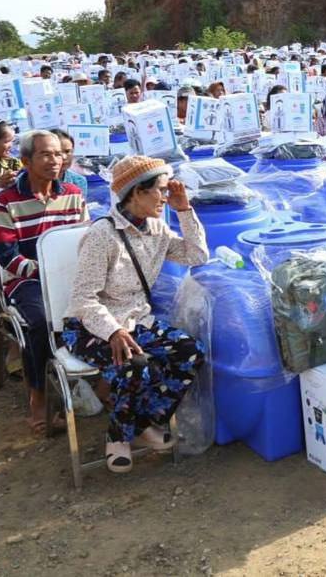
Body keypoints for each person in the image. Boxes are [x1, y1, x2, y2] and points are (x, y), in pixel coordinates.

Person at [64, 155, 208, 473]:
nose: (165, 197)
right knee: (133, 363)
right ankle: (118, 436)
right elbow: (83, 299)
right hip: (91, 326)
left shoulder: (156, 229)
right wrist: (113, 331)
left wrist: (184, 210)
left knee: (190, 352)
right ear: (137, 193)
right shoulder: (102, 235)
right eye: (160, 190)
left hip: (136, 320)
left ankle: (140, 423)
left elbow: (197, 255)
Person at [0, 130, 89, 432]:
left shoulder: (73, 194)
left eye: (58, 153)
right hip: (26, 281)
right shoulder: (5, 202)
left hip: (69, 276)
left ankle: (101, 388)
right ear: (26, 161)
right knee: (41, 322)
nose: (55, 160)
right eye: (45, 154)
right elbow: (7, 256)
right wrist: (45, 273)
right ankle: (38, 399)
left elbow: (84, 241)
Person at [49, 128, 89, 192]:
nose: (64, 157)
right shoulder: (34, 180)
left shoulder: (79, 181)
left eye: (67, 151)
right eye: (58, 152)